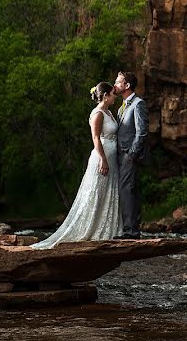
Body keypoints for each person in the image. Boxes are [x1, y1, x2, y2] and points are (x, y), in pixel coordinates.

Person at [32, 82, 122, 249]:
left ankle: (105, 228)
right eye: (113, 94)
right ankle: (88, 230)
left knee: (106, 193)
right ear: (105, 96)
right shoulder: (97, 114)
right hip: (102, 157)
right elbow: (95, 138)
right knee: (95, 193)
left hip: (112, 157)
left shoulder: (109, 112)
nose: (115, 97)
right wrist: (103, 159)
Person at [113, 70, 148, 239]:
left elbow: (141, 132)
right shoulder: (121, 108)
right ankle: (130, 229)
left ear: (126, 86)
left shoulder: (138, 104)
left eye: (118, 82)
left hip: (129, 155)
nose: (115, 85)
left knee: (127, 190)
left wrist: (132, 154)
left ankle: (131, 232)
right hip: (119, 156)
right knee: (127, 191)